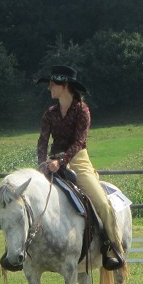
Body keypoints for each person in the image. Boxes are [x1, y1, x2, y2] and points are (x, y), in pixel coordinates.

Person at [36, 65, 126, 270]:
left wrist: (62, 160)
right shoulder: (49, 114)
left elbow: (79, 141)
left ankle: (112, 248)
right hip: (51, 163)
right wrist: (42, 163)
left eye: (53, 83)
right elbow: (42, 141)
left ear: (65, 86)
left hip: (78, 160)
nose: (49, 87)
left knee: (102, 203)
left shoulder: (82, 111)